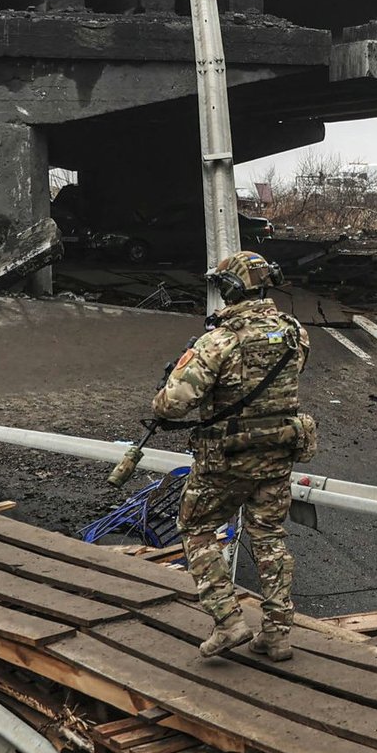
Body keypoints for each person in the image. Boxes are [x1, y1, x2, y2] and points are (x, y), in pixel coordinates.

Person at [152, 250, 312, 661]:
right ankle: (277, 634)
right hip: (277, 455)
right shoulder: (295, 333)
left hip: (225, 460)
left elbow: (173, 405)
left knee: (197, 528)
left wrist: (165, 389)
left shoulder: (218, 341)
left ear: (232, 289)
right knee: (270, 538)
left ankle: (228, 621)